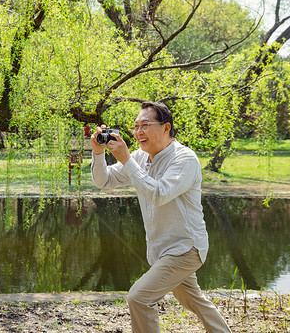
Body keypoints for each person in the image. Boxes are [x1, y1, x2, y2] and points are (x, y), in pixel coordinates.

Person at [90, 101, 231, 333]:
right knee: (193, 300)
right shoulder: (140, 157)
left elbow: (159, 194)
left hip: (185, 249)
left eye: (145, 125)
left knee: (139, 297)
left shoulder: (184, 159)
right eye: (136, 126)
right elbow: (103, 181)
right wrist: (98, 153)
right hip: (163, 251)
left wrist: (126, 159)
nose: (138, 132)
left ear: (166, 128)